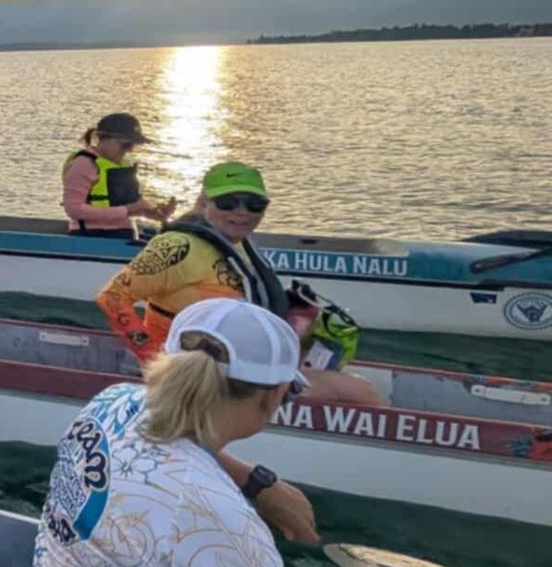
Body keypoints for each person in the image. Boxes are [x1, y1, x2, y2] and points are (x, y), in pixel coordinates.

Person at [24, 299, 436, 567]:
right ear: (273, 395)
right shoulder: (216, 518)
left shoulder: (113, 402)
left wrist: (257, 483)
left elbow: (179, 446)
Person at [97, 162, 382, 406]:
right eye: (228, 202)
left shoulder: (239, 244)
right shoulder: (176, 246)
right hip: (200, 374)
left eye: (255, 204)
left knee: (355, 383)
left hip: (240, 363)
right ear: (203, 203)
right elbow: (112, 298)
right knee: (359, 391)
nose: (243, 212)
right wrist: (153, 361)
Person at [62, 112, 174, 236]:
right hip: (91, 236)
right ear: (103, 138)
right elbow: (73, 209)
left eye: (133, 145)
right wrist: (127, 210)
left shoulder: (123, 165)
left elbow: (128, 209)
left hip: (124, 235)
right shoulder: (83, 164)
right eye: (126, 144)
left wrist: (151, 213)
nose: (129, 149)